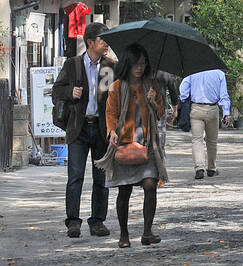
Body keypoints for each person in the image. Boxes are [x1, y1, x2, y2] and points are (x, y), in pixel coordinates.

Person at [96, 43, 171, 247]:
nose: (140, 68)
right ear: (128, 64)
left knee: (150, 185)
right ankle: (124, 234)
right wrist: (112, 131)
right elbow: (110, 112)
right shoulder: (117, 87)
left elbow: (161, 113)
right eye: (136, 64)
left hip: (147, 143)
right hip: (124, 143)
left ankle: (147, 232)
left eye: (143, 64)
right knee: (124, 190)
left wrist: (154, 102)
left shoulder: (151, 85)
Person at [51, 22, 115, 238]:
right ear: (90, 42)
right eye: (102, 40)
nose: (106, 44)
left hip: (101, 129)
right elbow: (56, 91)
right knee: (75, 176)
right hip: (78, 128)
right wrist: (71, 92)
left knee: (101, 178)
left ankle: (97, 221)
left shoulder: (109, 66)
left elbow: (114, 97)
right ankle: (73, 221)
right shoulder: (73, 65)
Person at [179, 67, 231, 179]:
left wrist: (186, 99)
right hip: (212, 109)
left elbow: (183, 91)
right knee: (212, 141)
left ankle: (199, 168)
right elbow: (224, 95)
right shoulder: (219, 73)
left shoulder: (192, 71)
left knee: (197, 140)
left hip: (196, 108)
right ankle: (211, 168)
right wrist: (226, 112)